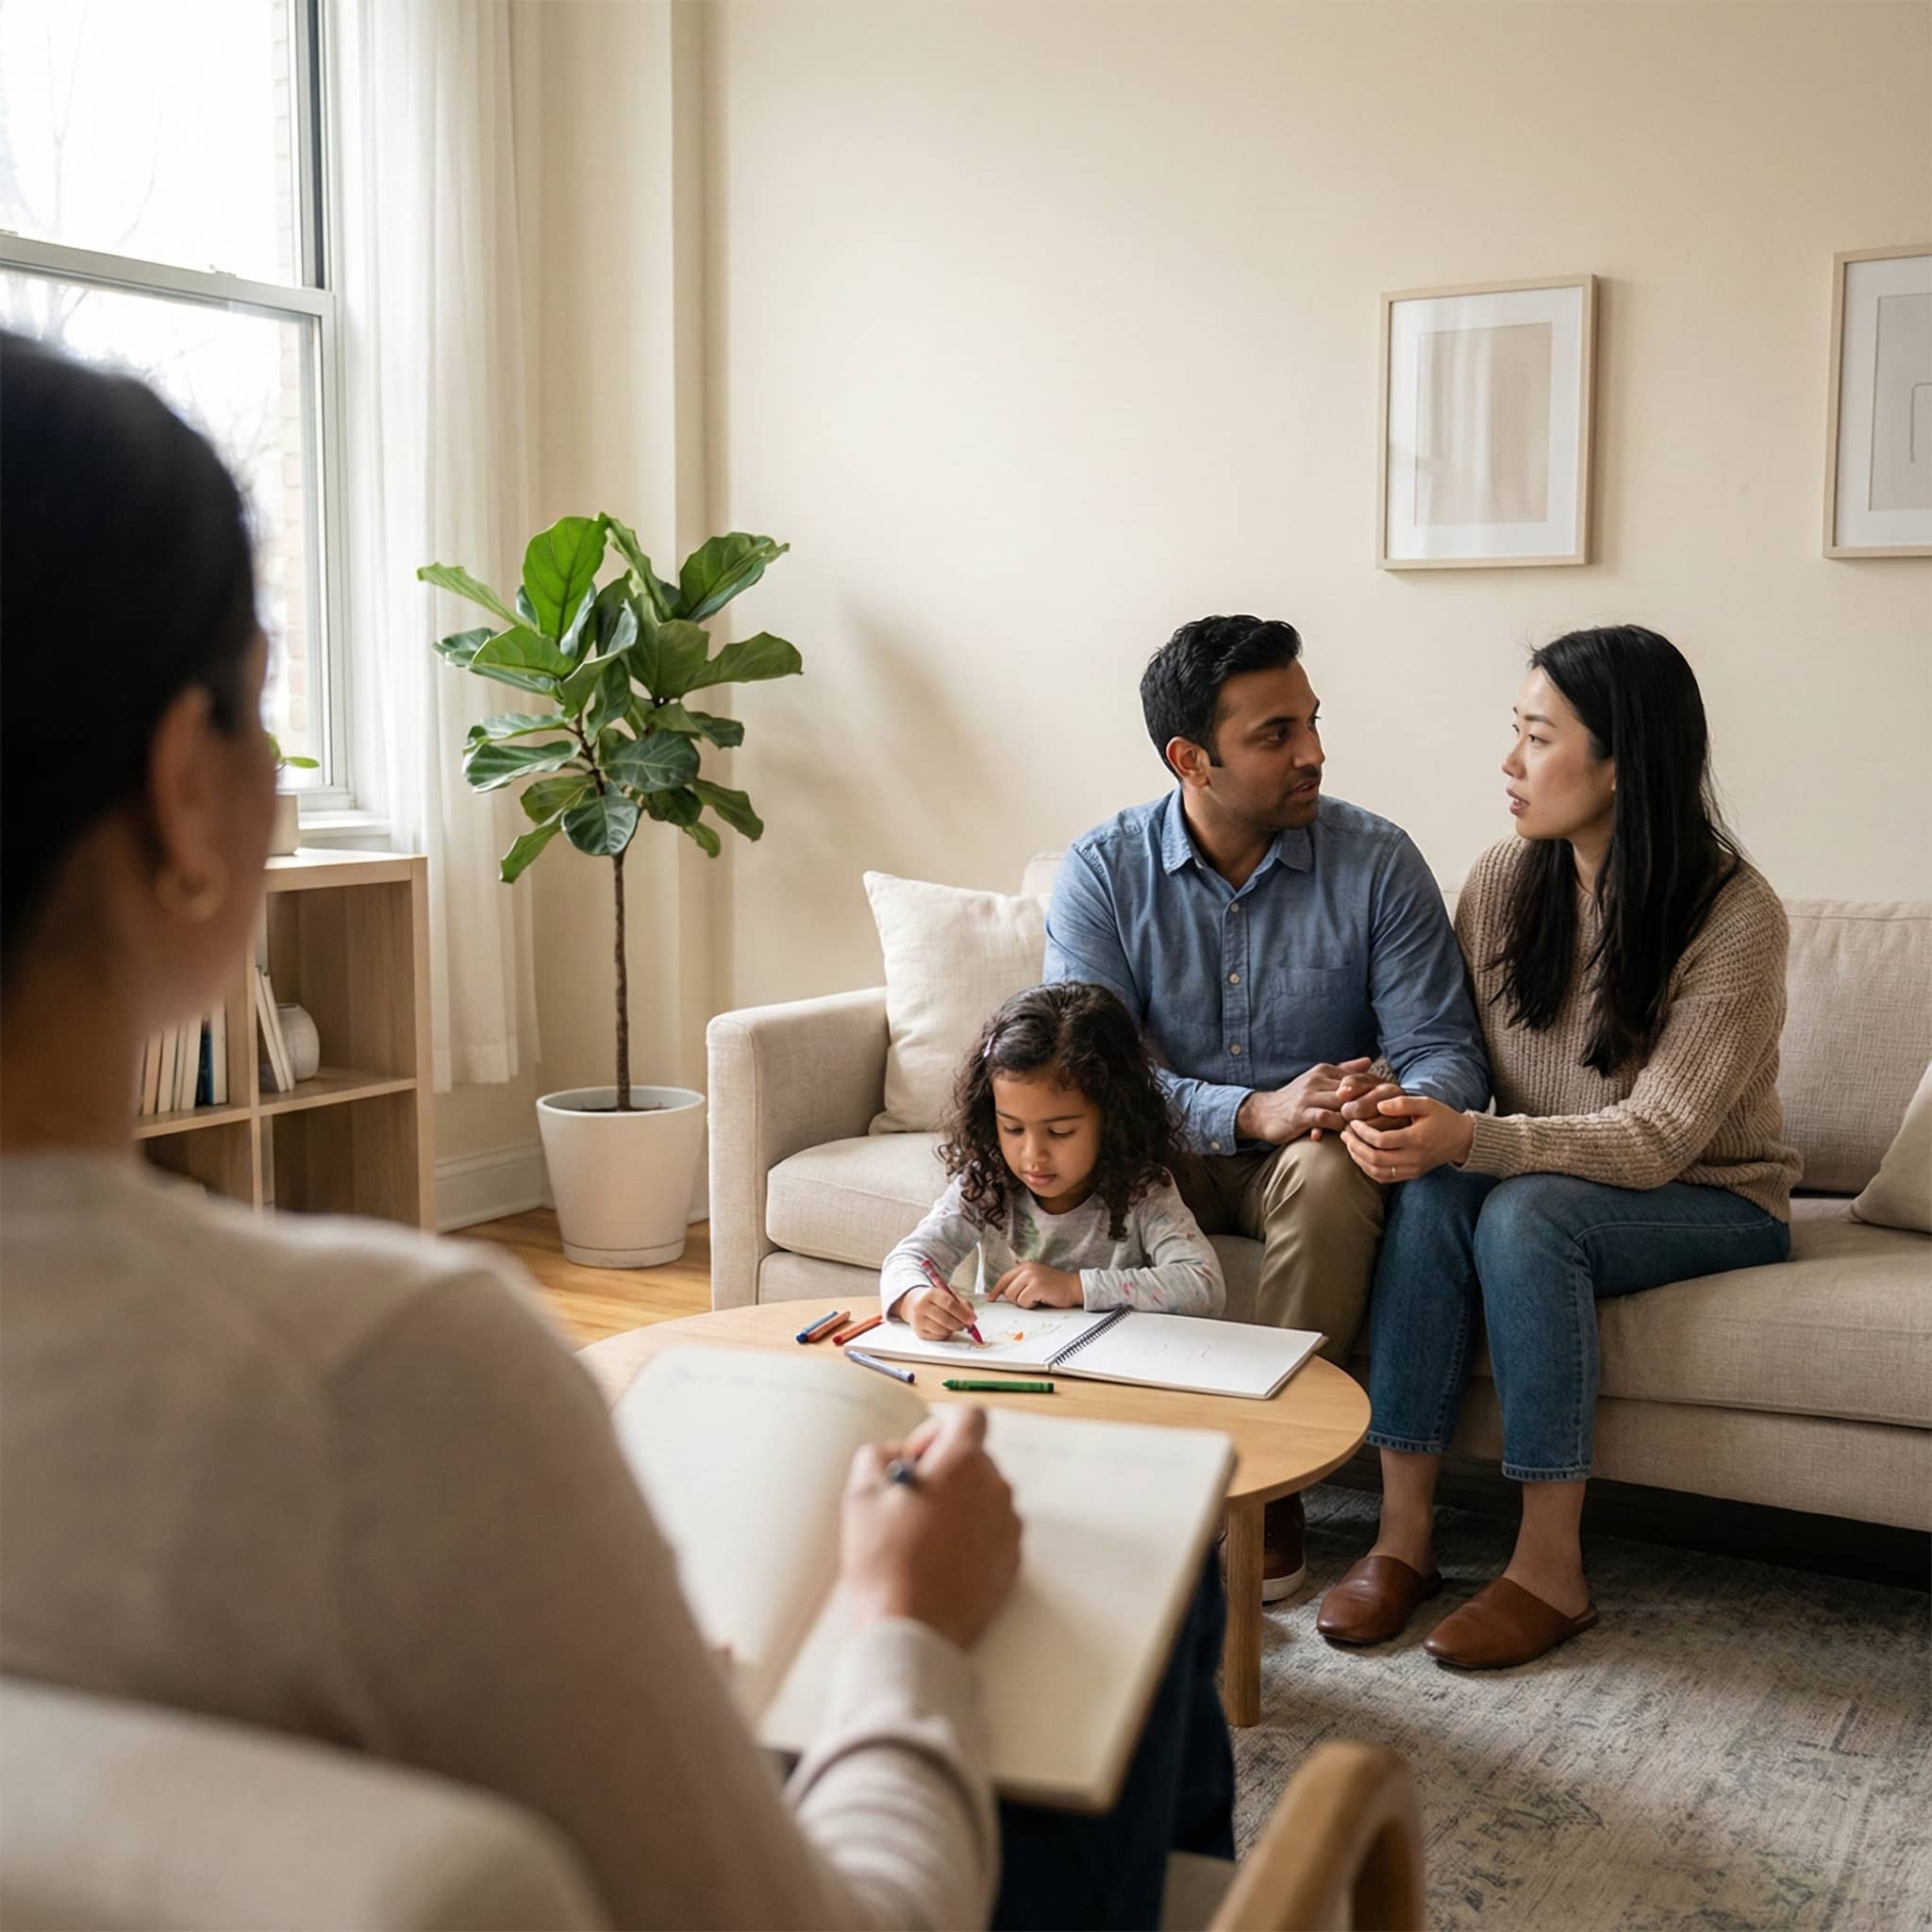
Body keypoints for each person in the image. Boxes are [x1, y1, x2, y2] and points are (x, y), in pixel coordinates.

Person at [0, 332, 1232, 1930]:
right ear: (185, 790)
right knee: (1144, 1576)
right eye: (261, 706)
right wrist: (903, 1629)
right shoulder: (389, 1379)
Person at [1317, 625, 1799, 1670]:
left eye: (1537, 737)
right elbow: (1444, 1049)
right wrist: (1396, 1102)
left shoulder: (1733, 914)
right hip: (1557, 1170)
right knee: (1441, 1192)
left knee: (1523, 1210)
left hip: (1712, 1196)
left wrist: (1478, 1137)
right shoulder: (1504, 879)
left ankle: (1548, 1568)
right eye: (1514, 732)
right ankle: (1402, 1540)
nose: (1508, 763)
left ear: (1622, 756)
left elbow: (1659, 1137)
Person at [1043, 613, 1490, 1601]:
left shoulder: (1376, 860)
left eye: (1311, 722)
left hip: (1314, 1157)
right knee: (1067, 1157)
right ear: (1188, 757)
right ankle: (1090, 1477)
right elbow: (1091, 1073)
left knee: (1334, 1172)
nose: (1312, 753)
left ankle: (1267, 1480)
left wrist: (1397, 1102)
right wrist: (1252, 1110)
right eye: (1274, 733)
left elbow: (1444, 1046)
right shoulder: (1102, 871)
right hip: (1165, 1147)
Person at [884, 981, 1224, 1339]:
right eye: (1013, 1129)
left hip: (1110, 1367)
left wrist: (1074, 1287)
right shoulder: (987, 1183)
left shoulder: (1142, 1189)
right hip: (1012, 1366)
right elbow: (908, 1259)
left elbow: (1205, 1285)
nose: (1033, 1155)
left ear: (1113, 1119)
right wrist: (913, 1299)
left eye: (1060, 1132)